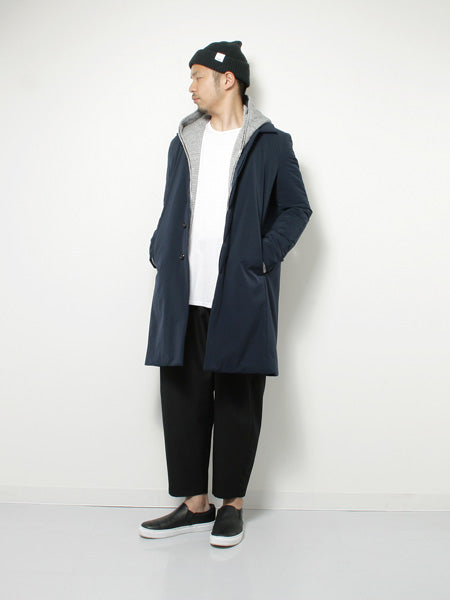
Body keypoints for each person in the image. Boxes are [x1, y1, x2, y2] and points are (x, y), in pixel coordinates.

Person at [139, 41, 312, 547]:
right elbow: (172, 205)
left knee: (238, 401)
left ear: (227, 79)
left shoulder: (270, 143)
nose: (190, 86)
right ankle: (195, 504)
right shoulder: (183, 141)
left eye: (197, 76)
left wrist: (261, 257)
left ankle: (231, 505)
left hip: (239, 293)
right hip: (182, 292)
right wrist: (159, 246)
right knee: (182, 399)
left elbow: (296, 209)